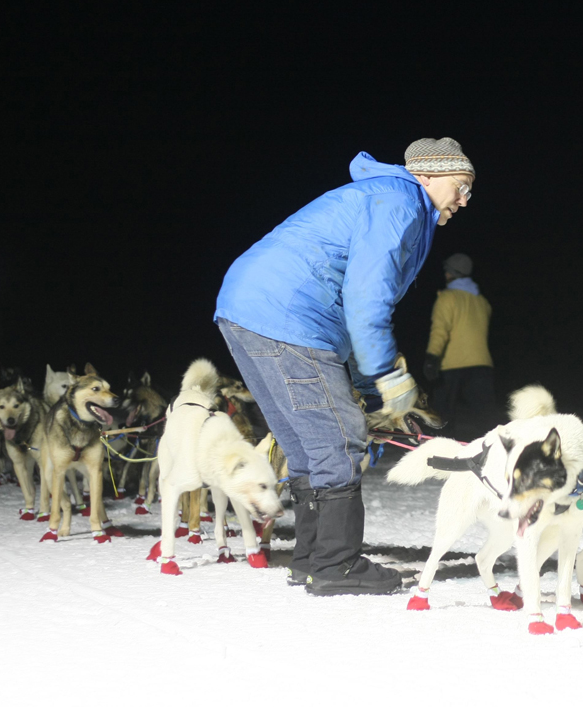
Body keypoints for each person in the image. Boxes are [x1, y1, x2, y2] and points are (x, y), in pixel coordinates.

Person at [212, 137, 475, 596]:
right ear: (428, 175)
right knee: (336, 438)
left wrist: (366, 386)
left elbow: (350, 308)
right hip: (289, 314)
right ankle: (337, 564)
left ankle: (312, 559)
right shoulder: (399, 201)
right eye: (461, 185)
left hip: (249, 310)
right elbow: (365, 297)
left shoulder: (385, 198)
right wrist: (388, 375)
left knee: (308, 442)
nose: (464, 199)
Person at [423, 253, 497, 440]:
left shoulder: (447, 298)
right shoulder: (482, 302)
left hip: (452, 365)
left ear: (451, 273)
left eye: (446, 270)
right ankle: (495, 451)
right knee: (485, 417)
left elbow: (440, 331)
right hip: (482, 365)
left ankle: (441, 451)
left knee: (442, 415)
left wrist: (432, 357)